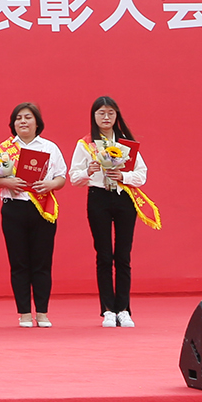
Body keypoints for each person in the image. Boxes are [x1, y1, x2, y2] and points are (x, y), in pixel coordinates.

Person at [0, 101, 67, 328]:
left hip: (42, 209)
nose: (23, 121)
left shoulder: (50, 147)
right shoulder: (3, 149)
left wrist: (51, 184)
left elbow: (61, 177)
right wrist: (7, 182)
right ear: (13, 124)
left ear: (37, 122)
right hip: (14, 209)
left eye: (28, 117)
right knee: (19, 262)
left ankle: (42, 312)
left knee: (42, 262)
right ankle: (23, 313)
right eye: (18, 118)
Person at [70, 95, 149, 328]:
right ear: (94, 116)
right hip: (98, 198)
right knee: (104, 255)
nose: (106, 117)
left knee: (123, 255)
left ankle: (123, 309)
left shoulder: (126, 143)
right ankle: (107, 309)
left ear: (116, 116)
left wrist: (123, 176)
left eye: (110, 113)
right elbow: (73, 177)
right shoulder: (86, 144)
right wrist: (88, 171)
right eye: (101, 113)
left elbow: (142, 174)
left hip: (124, 198)